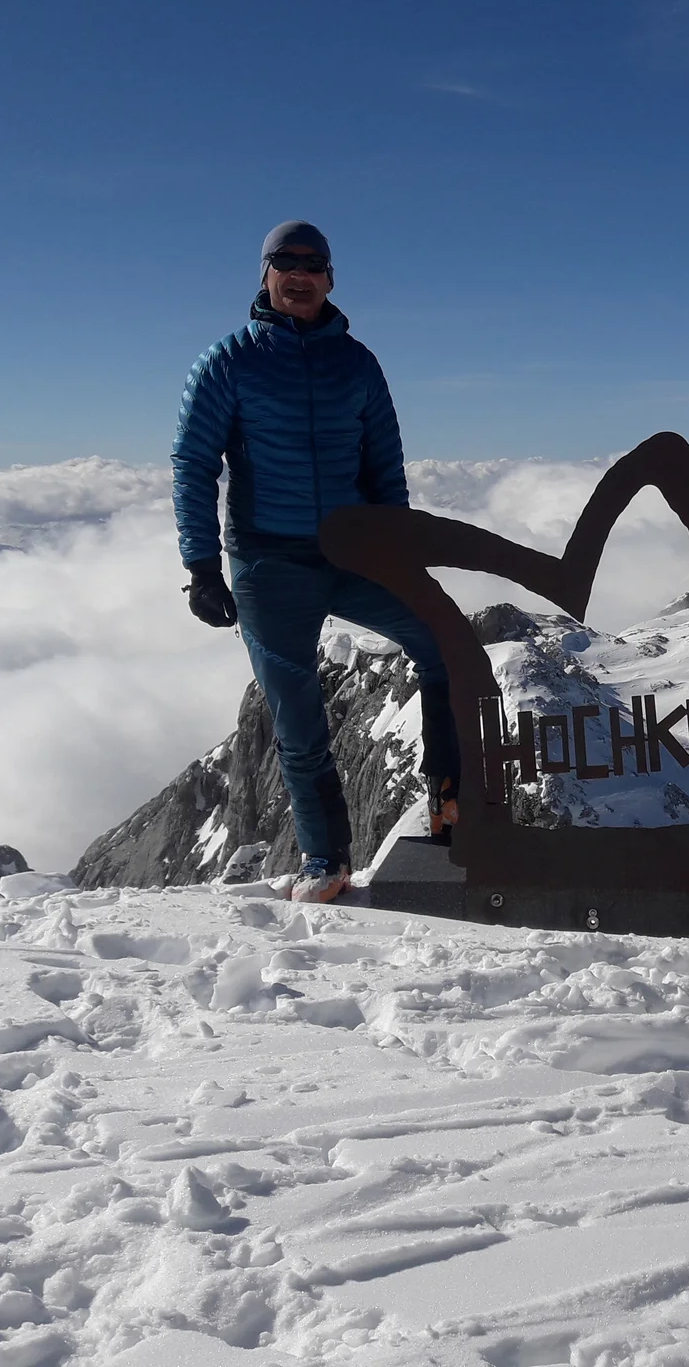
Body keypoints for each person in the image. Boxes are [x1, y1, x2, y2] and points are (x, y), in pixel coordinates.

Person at [172, 221, 461, 903]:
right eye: (286, 262)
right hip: (268, 561)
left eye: (313, 264)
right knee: (298, 718)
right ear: (265, 275)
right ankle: (325, 862)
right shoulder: (227, 362)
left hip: (356, 552)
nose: (300, 274)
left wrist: (398, 547)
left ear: (330, 279)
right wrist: (202, 566)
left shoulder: (357, 364)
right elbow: (193, 464)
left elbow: (384, 464)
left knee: (444, 642)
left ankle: (449, 806)